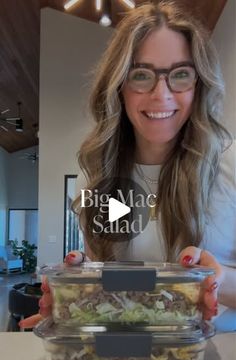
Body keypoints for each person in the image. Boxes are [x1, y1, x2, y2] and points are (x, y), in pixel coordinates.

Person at [20, 1, 236, 329]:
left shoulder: (229, 164)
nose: (161, 94)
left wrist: (217, 281)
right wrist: (75, 299)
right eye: (141, 74)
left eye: (180, 74)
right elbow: (110, 284)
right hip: (123, 359)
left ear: (199, 84)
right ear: (119, 86)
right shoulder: (98, 178)